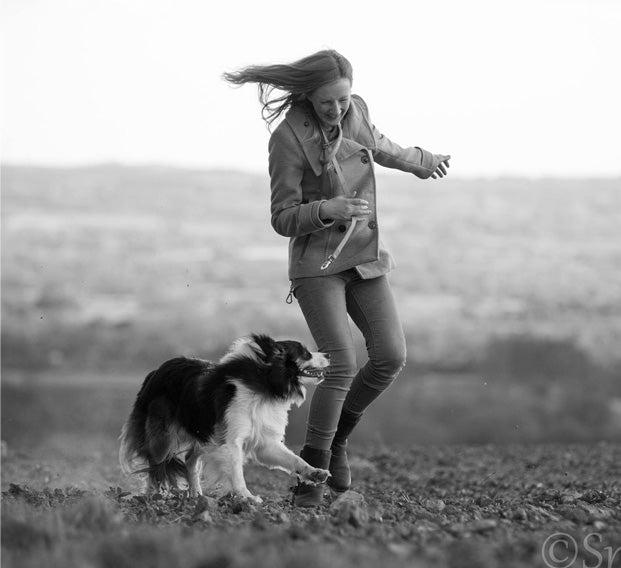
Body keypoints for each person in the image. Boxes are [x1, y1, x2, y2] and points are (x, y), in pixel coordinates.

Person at [223, 49, 450, 506]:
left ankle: (337, 439)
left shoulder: (356, 110)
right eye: (327, 102)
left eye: (343, 99)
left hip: (363, 258)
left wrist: (421, 161)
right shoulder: (287, 139)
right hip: (317, 265)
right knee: (341, 364)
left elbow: (382, 145)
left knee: (390, 355)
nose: (337, 109)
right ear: (308, 96)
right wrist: (327, 209)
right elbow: (282, 217)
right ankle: (313, 470)